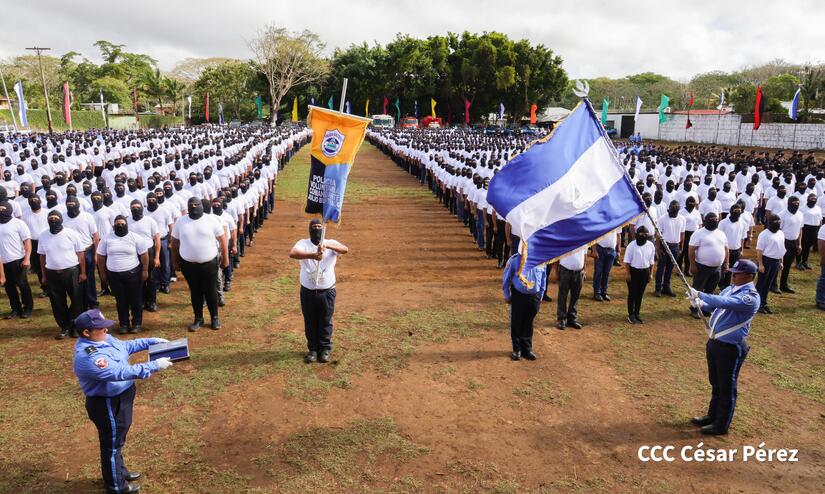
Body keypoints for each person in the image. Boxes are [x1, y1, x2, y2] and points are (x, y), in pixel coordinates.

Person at [72, 308, 174, 494]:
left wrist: (151, 342)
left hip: (122, 396)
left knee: (118, 439)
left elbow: (126, 346)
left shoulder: (103, 338)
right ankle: (116, 486)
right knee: (111, 445)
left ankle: (120, 473)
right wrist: (153, 366)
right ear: (86, 333)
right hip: (107, 404)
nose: (107, 331)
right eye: (101, 328)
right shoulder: (88, 355)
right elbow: (118, 373)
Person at [687, 259, 759, 435]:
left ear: (749, 276)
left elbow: (725, 303)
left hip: (730, 347)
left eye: (737, 273)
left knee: (726, 386)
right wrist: (699, 303)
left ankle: (721, 424)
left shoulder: (750, 297)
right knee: (716, 382)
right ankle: (712, 416)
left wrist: (701, 294)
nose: (733, 276)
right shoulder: (729, 289)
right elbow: (713, 305)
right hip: (715, 343)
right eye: (733, 272)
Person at [289, 219, 348, 363]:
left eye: (319, 227)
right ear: (309, 229)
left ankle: (325, 349)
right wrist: (313, 255)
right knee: (310, 321)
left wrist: (326, 245)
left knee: (325, 320)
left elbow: (345, 249)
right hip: (308, 292)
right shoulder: (303, 243)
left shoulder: (330, 242)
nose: (317, 229)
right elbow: (293, 253)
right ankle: (313, 349)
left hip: (327, 292)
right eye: (314, 227)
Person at [171, 197, 229, 331]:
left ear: (202, 206)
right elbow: (174, 243)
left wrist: (225, 258)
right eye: (191, 204)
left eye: (197, 204)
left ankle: (214, 318)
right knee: (195, 292)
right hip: (189, 265)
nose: (194, 207)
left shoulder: (211, 220)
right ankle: (198, 318)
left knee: (211, 291)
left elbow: (223, 240)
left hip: (209, 264)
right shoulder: (181, 221)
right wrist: (175, 261)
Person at [97, 215, 150, 334]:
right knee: (120, 300)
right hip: (114, 275)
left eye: (122, 224)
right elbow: (100, 256)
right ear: (113, 226)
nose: (120, 226)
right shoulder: (106, 239)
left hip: (133, 274)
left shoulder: (135, 237)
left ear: (126, 225)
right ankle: (124, 324)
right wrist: (102, 273)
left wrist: (145, 270)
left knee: (135, 300)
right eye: (117, 224)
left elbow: (144, 254)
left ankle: (136, 323)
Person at [38, 210, 87, 339]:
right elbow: (42, 257)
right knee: (57, 302)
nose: (53, 220)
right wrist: (44, 275)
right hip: (52, 273)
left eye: (56, 217)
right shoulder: (43, 235)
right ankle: (64, 327)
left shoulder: (71, 234)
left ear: (61, 219)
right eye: (51, 218)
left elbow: (80, 254)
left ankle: (75, 326)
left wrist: (82, 272)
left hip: (71, 271)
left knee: (77, 300)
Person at [502, 251, 547, 360]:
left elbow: (544, 278)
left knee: (528, 322)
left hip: (534, 297)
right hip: (519, 296)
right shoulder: (514, 260)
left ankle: (527, 349)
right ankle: (517, 349)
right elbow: (506, 278)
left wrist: (540, 295)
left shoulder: (542, 259)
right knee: (517, 322)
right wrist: (507, 295)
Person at [688, 212, 728, 319]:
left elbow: (725, 248)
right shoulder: (698, 233)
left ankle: (706, 308)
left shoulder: (721, 233)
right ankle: (694, 308)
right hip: (702, 267)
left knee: (711, 290)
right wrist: (692, 265)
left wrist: (726, 263)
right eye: (711, 219)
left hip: (717, 268)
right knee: (698, 289)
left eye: (716, 219)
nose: (714, 221)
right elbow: (691, 250)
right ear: (705, 220)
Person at [0, 200, 33, 318]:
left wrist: (27, 259)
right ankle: (15, 308)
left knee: (22, 284)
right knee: (9, 287)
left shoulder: (18, 223)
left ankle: (28, 308)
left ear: (9, 210)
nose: (1, 211)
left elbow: (27, 241)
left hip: (18, 259)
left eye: (3, 209)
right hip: (3, 261)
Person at [755, 214, 786, 314]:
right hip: (766, 261)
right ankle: (757, 304)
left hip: (776, 261)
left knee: (768, 283)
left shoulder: (781, 233)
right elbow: (759, 250)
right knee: (761, 283)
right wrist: (760, 264)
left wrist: (781, 262)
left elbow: (781, 248)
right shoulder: (764, 234)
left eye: (778, 222)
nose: (777, 224)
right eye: (775, 222)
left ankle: (763, 303)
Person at [624, 226, 656, 324]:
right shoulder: (631, 245)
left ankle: (637, 313)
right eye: (641, 234)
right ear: (637, 234)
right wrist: (628, 274)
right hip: (634, 272)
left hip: (645, 272)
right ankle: (631, 315)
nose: (643, 236)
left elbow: (651, 262)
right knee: (632, 294)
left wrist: (651, 274)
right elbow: (627, 261)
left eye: (645, 234)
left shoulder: (650, 245)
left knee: (640, 294)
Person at [655, 201, 685, 297]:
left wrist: (681, 247)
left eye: (676, 207)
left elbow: (682, 234)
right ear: (669, 208)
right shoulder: (662, 219)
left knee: (670, 268)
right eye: (672, 207)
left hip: (675, 246)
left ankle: (666, 287)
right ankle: (658, 289)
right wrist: (658, 249)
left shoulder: (682, 219)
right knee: (661, 268)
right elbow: (658, 235)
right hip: (664, 246)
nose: (674, 208)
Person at [778, 196, 803, 293]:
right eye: (794, 203)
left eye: (797, 204)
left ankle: (783, 285)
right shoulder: (782, 214)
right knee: (778, 264)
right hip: (783, 241)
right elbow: (778, 231)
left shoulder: (800, 214)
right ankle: (773, 285)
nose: (796, 205)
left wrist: (799, 244)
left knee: (787, 265)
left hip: (793, 243)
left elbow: (800, 229)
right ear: (788, 203)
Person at [556, 247, 586, 330]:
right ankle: (562, 319)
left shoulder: (584, 238)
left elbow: (585, 254)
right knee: (562, 296)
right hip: (565, 270)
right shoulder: (566, 237)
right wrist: (556, 271)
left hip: (579, 271)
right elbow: (558, 254)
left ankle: (572, 318)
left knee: (575, 296)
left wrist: (584, 269)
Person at [592, 230, 620, 302]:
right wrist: (594, 250)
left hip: (611, 250)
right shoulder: (601, 221)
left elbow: (618, 235)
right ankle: (597, 292)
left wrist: (618, 250)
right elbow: (594, 235)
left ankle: (604, 292)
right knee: (598, 272)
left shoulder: (617, 221)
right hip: (600, 249)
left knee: (607, 272)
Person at [816, 223, 825, 311]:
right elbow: (821, 244)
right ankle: (820, 300)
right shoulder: (824, 228)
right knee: (824, 279)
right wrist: (823, 257)